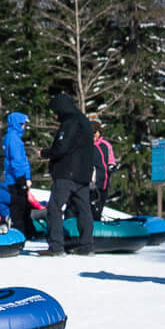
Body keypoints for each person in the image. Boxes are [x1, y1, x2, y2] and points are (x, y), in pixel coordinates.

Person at [43, 92, 102, 257]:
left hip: (67, 173)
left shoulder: (70, 122)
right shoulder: (84, 122)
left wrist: (45, 153)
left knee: (54, 207)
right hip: (83, 174)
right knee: (84, 209)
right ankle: (87, 245)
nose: (55, 115)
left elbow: (61, 147)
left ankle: (56, 246)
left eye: (55, 111)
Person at [0, 108, 32, 228]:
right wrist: (23, 178)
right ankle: (22, 230)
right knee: (20, 207)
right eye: (23, 124)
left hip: (9, 178)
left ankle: (24, 228)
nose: (24, 127)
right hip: (15, 179)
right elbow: (18, 161)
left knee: (18, 206)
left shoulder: (8, 137)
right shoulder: (14, 139)